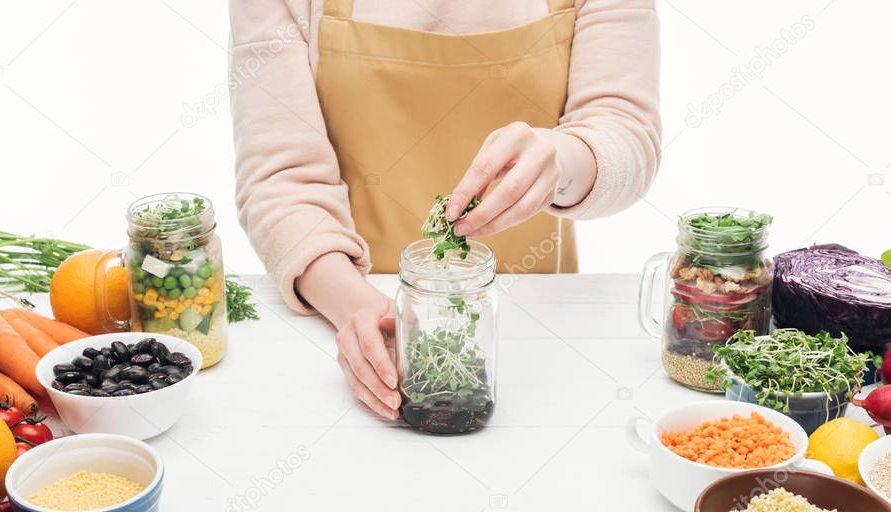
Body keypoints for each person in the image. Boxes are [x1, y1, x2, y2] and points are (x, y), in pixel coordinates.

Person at [231, 0, 661, 419]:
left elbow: (624, 127)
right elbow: (282, 178)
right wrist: (362, 309)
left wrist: (562, 159)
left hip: (546, 333)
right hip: (352, 316)